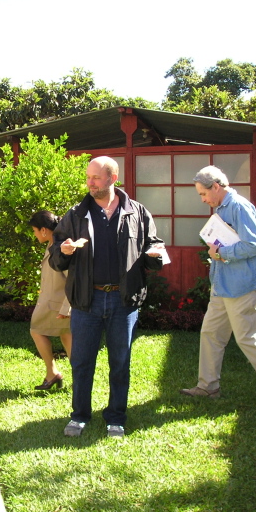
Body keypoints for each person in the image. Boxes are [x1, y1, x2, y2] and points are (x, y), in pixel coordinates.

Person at [49, 156, 164, 438]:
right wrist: (62, 251)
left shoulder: (137, 212)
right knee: (82, 361)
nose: (89, 183)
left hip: (123, 301)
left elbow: (154, 245)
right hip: (86, 301)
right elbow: (55, 255)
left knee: (120, 363)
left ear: (113, 178)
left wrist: (156, 254)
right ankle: (79, 415)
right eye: (88, 177)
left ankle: (116, 417)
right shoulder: (75, 215)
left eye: (96, 178)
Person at [180, 165, 256, 410]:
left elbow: (255, 245)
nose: (203, 199)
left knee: (249, 338)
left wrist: (221, 253)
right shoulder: (222, 208)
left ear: (216, 186)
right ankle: (208, 387)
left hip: (241, 286)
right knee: (210, 333)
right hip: (222, 286)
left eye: (203, 194)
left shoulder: (239, 206)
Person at [28, 210, 72, 391]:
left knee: (37, 330)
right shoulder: (53, 245)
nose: (35, 234)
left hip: (58, 305)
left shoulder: (61, 248)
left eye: (35, 231)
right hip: (54, 303)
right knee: (67, 338)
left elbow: (73, 279)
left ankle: (53, 373)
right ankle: (62, 375)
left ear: (44, 230)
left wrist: (67, 307)